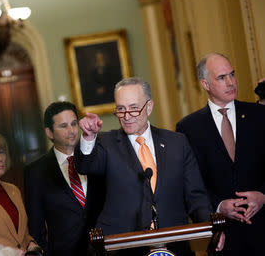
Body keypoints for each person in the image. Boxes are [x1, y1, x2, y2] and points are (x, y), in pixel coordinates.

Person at [75, 77, 220, 256]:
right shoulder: (105, 143)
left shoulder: (177, 143)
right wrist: (89, 138)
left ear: (149, 107)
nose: (127, 116)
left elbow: (195, 196)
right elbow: (85, 166)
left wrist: (213, 229)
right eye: (121, 109)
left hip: (174, 244)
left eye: (134, 108)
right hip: (122, 247)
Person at [176, 53, 265, 256]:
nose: (231, 82)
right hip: (224, 237)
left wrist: (263, 195)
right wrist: (218, 206)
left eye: (232, 75)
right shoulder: (189, 128)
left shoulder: (259, 115)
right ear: (205, 84)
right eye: (222, 77)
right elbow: (190, 184)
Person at [24, 101, 105, 256]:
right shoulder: (35, 172)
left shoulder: (98, 157)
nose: (72, 130)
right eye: (63, 126)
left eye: (74, 124)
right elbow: (36, 227)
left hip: (104, 249)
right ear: (49, 132)